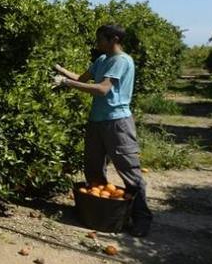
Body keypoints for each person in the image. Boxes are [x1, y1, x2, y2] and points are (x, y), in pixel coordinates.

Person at [53, 24, 153, 237]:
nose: (98, 43)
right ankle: (100, 212)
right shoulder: (102, 60)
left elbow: (102, 89)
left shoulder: (121, 61)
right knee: (93, 168)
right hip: (96, 121)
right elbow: (82, 78)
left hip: (117, 123)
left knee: (129, 171)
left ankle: (142, 218)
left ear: (114, 38)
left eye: (101, 39)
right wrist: (61, 71)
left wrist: (66, 83)